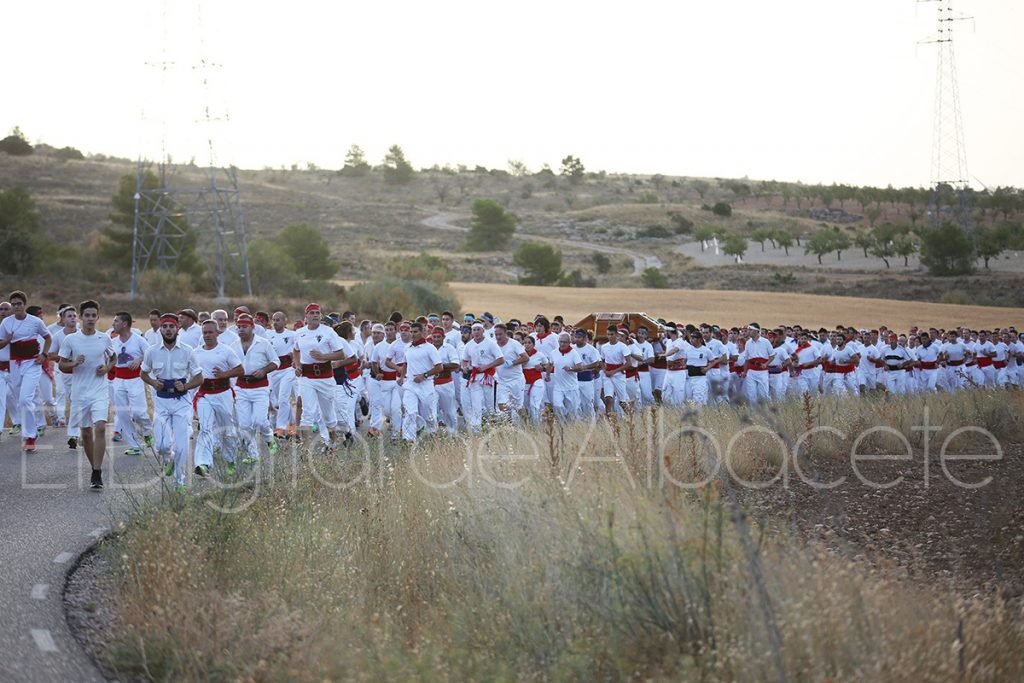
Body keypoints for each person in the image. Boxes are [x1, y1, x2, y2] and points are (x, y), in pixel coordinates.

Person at [141, 313, 203, 491]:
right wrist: (153, 382)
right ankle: (168, 458)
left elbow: (199, 378)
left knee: (182, 445)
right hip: (161, 401)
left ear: (178, 329)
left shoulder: (187, 350)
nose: (168, 330)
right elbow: (144, 373)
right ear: (160, 329)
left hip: (181, 401)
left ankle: (179, 481)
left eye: (172, 327)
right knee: (161, 445)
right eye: (165, 326)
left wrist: (186, 386)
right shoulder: (152, 351)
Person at [57, 301, 115, 490]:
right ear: (81, 317)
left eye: (93, 315)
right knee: (87, 432)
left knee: (99, 427)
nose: (90, 318)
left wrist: (106, 367)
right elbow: (61, 364)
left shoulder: (104, 338)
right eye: (87, 315)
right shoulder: (71, 340)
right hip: (80, 392)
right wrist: (74, 363)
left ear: (98, 317)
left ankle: (97, 472)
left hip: (99, 390)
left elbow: (113, 357)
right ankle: (94, 467)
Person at [292, 303, 353, 447]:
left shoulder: (328, 332)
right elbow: (295, 350)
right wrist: (298, 365)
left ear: (320, 316)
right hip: (307, 377)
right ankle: (306, 449)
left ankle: (332, 444)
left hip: (325, 377)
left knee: (329, 416)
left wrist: (323, 356)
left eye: (317, 313)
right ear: (306, 316)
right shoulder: (299, 333)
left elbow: (341, 354)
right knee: (308, 412)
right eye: (312, 313)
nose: (315, 315)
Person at [0, 291, 52, 452]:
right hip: (15, 363)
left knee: (24, 399)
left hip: (32, 363)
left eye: (19, 304)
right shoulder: (6, 323)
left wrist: (44, 354)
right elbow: (0, 344)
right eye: (13, 304)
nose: (16, 307)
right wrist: (7, 340)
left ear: (24, 304)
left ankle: (30, 435)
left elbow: (48, 338)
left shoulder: (35, 321)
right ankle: (34, 427)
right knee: (18, 397)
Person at [194, 320, 244, 476]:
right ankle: (203, 463)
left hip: (223, 393)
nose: (207, 335)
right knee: (205, 428)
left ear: (217, 333)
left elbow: (240, 370)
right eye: (205, 332)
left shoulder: (226, 350)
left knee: (227, 430)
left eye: (210, 332)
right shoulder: (196, 353)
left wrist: (225, 374)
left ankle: (230, 460)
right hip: (204, 395)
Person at [231, 314, 280, 462]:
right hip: (240, 387)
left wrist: (264, 370)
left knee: (259, 420)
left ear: (252, 327)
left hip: (260, 387)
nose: (241, 330)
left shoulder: (263, 343)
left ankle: (269, 438)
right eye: (239, 327)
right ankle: (253, 455)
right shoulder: (233, 345)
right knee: (244, 424)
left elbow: (276, 362)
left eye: (244, 327)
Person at [110, 312, 154, 455]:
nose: (113, 324)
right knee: (122, 413)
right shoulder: (113, 342)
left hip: (135, 379)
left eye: (116, 321)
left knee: (138, 412)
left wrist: (139, 359)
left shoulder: (138, 340)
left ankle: (147, 432)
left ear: (124, 324)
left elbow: (150, 354)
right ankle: (134, 445)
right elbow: (108, 358)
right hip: (118, 380)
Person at [400, 322, 443, 442]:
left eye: (415, 332)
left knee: (429, 416)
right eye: (411, 332)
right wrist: (402, 377)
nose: (412, 334)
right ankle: (408, 440)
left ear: (422, 332)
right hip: (410, 385)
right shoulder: (407, 347)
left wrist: (424, 375)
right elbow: (405, 363)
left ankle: (432, 435)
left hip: (426, 385)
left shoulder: (430, 348)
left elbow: (439, 367)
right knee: (410, 412)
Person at [430, 327, 461, 432]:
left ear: (443, 337)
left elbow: (455, 364)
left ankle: (453, 434)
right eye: (434, 337)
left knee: (449, 411)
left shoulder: (449, 348)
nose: (436, 339)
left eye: (439, 337)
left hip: (446, 383)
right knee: (432, 410)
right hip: (431, 384)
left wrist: (439, 367)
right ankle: (433, 433)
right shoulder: (428, 348)